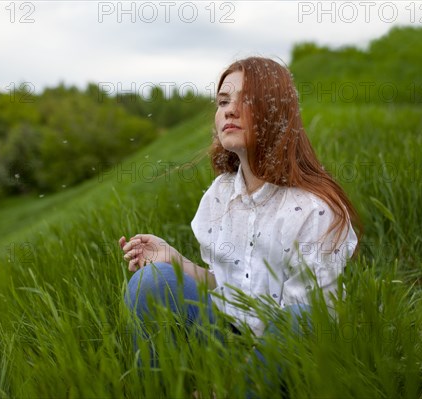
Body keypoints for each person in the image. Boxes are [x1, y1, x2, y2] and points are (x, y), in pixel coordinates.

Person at [119, 56, 360, 375]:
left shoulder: (314, 209)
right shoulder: (221, 195)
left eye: (246, 100)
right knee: (152, 281)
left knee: (302, 318)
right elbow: (231, 285)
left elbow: (310, 320)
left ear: (278, 114)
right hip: (227, 336)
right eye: (222, 101)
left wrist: (234, 381)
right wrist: (175, 262)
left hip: (287, 356)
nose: (229, 110)